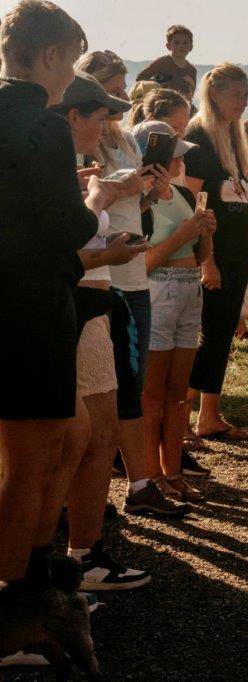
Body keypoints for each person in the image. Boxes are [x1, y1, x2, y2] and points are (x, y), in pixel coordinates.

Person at [0, 0, 96, 594]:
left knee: (37, 449)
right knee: (29, 464)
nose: (68, 81)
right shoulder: (42, 125)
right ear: (51, 55)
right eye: (70, 65)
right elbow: (67, 226)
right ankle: (12, 615)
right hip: (31, 307)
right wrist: (94, 205)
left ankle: (30, 580)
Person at [55, 74, 154, 589]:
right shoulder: (48, 169)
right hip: (72, 310)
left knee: (99, 433)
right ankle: (72, 559)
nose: (107, 125)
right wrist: (97, 203)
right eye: (99, 115)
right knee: (77, 438)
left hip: (92, 306)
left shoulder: (65, 168)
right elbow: (54, 252)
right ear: (73, 117)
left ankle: (82, 555)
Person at [78, 48, 179, 518]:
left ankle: (137, 485)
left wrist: (149, 194)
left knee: (128, 383)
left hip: (131, 267)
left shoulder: (124, 136)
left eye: (121, 85)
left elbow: (132, 211)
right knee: (106, 388)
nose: (121, 94)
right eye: (111, 87)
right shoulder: (80, 136)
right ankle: (121, 487)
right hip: (102, 274)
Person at [135, 120, 216, 504]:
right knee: (153, 393)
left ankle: (173, 471)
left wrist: (206, 234)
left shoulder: (182, 194)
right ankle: (151, 473)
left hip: (187, 291)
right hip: (160, 290)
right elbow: (142, 264)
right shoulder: (141, 200)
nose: (181, 161)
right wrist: (184, 235)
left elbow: (198, 255)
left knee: (178, 391)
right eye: (175, 155)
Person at [182, 64, 248, 451]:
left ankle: (208, 414)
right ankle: (181, 415)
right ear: (214, 95)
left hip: (237, 254)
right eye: (235, 96)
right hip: (213, 255)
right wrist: (205, 261)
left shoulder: (234, 136)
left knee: (222, 333)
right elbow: (193, 203)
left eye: (245, 95)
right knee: (206, 334)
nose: (242, 103)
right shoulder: (198, 137)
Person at [136, 25, 198, 100]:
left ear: (191, 47)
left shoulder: (191, 70)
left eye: (185, 43)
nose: (181, 46)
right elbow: (140, 78)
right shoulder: (163, 62)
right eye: (176, 43)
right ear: (168, 46)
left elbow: (191, 94)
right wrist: (158, 82)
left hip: (181, 106)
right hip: (162, 104)